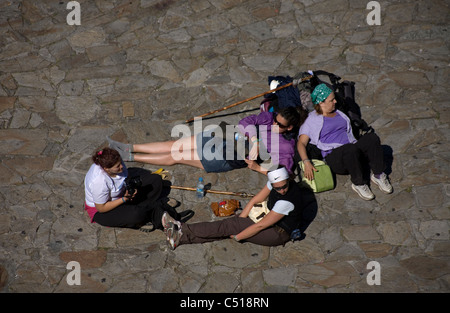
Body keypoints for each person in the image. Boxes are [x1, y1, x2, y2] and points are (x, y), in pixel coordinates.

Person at [107, 107, 306, 175]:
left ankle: (129, 157)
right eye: (275, 120)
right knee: (173, 144)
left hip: (226, 157)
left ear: (289, 128)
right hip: (222, 137)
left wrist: (256, 168)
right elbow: (246, 121)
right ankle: (128, 147)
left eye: (279, 125)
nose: (273, 125)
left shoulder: (286, 147)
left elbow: (283, 173)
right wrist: (254, 140)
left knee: (177, 155)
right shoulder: (269, 119)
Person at [161, 167, 309, 250]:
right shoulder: (276, 182)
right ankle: (181, 238)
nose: (282, 190)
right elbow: (256, 199)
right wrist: (242, 218)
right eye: (278, 188)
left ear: (288, 180)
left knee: (230, 226)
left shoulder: (287, 201)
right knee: (231, 226)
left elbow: (262, 225)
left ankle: (181, 228)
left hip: (278, 233)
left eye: (284, 186)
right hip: (268, 220)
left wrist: (239, 236)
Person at [297, 84, 393, 200]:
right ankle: (359, 183)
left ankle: (378, 174)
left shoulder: (339, 113)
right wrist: (306, 162)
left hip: (352, 149)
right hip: (335, 157)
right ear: (321, 103)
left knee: (372, 138)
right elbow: (301, 143)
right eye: (331, 100)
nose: (335, 101)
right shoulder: (312, 120)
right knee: (349, 149)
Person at [84, 147, 189, 230]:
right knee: (136, 214)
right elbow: (101, 208)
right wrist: (124, 199)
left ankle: (143, 208)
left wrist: (131, 189)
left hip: (121, 195)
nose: (122, 166)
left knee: (155, 180)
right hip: (104, 210)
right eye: (118, 166)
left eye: (121, 162)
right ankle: (150, 211)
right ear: (106, 169)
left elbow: (125, 177)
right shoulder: (99, 182)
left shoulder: (116, 165)